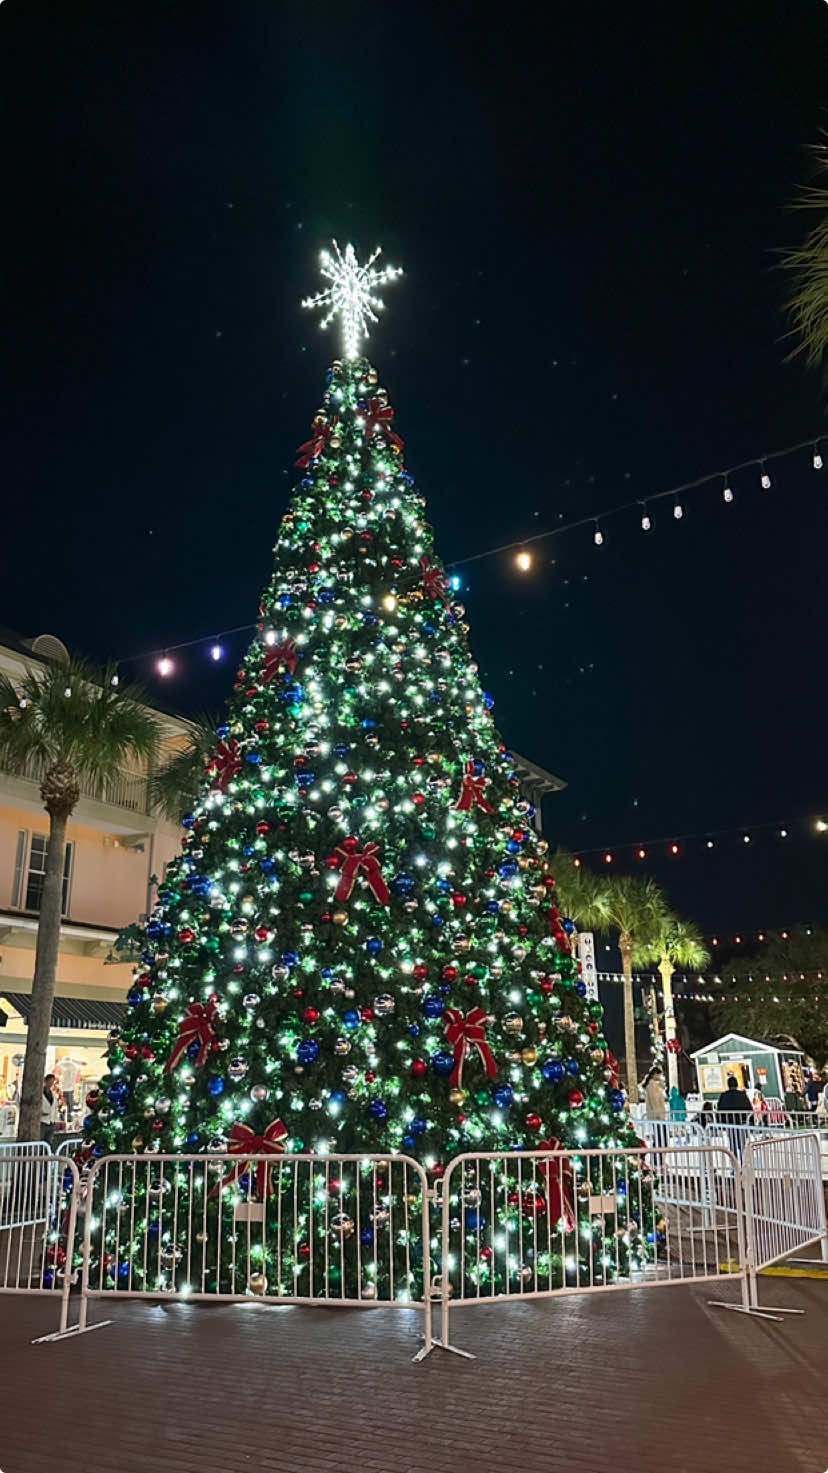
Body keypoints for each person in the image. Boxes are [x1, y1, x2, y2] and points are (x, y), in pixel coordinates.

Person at [40, 1073, 59, 1148]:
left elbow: (55, 1107)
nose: (50, 1084)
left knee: (48, 1144)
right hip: (42, 1122)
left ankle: (46, 1158)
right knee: (40, 1143)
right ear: (45, 1081)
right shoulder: (40, 1093)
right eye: (49, 1082)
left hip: (51, 1122)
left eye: (52, 1082)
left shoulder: (53, 1094)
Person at [58, 1056, 78, 1122]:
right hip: (68, 1089)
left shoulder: (62, 1067)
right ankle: (67, 1120)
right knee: (68, 1106)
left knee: (64, 1106)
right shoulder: (74, 1067)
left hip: (64, 1089)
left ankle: (63, 1119)